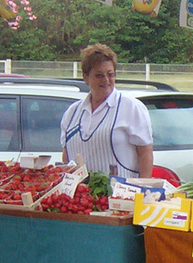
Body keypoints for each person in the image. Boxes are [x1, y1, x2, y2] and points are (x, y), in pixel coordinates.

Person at [59, 43, 155, 178]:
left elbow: (145, 153)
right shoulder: (72, 112)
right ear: (86, 77)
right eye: (99, 75)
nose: (106, 80)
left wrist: (144, 190)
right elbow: (66, 157)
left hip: (121, 194)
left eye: (110, 74)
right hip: (81, 196)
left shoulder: (131, 107)